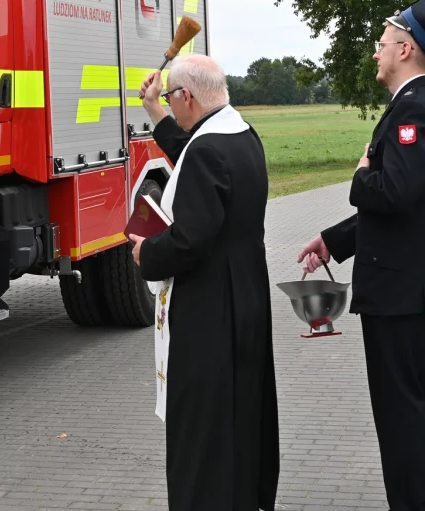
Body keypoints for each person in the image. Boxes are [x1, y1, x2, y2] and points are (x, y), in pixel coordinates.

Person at [297, 0, 425, 511]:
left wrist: (360, 175)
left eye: (382, 44)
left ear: (405, 48)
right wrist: (335, 240)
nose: (375, 53)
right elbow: (398, 212)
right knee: (420, 396)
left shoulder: (413, 109)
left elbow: (395, 193)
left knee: (401, 407)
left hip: (397, 287)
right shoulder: (422, 104)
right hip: (408, 282)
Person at [127, 54, 279, 511]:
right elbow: (189, 147)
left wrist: (145, 252)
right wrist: (154, 108)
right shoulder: (241, 135)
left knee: (203, 427)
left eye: (172, 98)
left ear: (188, 96)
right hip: (246, 296)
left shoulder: (209, 150)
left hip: (211, 310)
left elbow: (191, 240)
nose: (171, 106)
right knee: (240, 416)